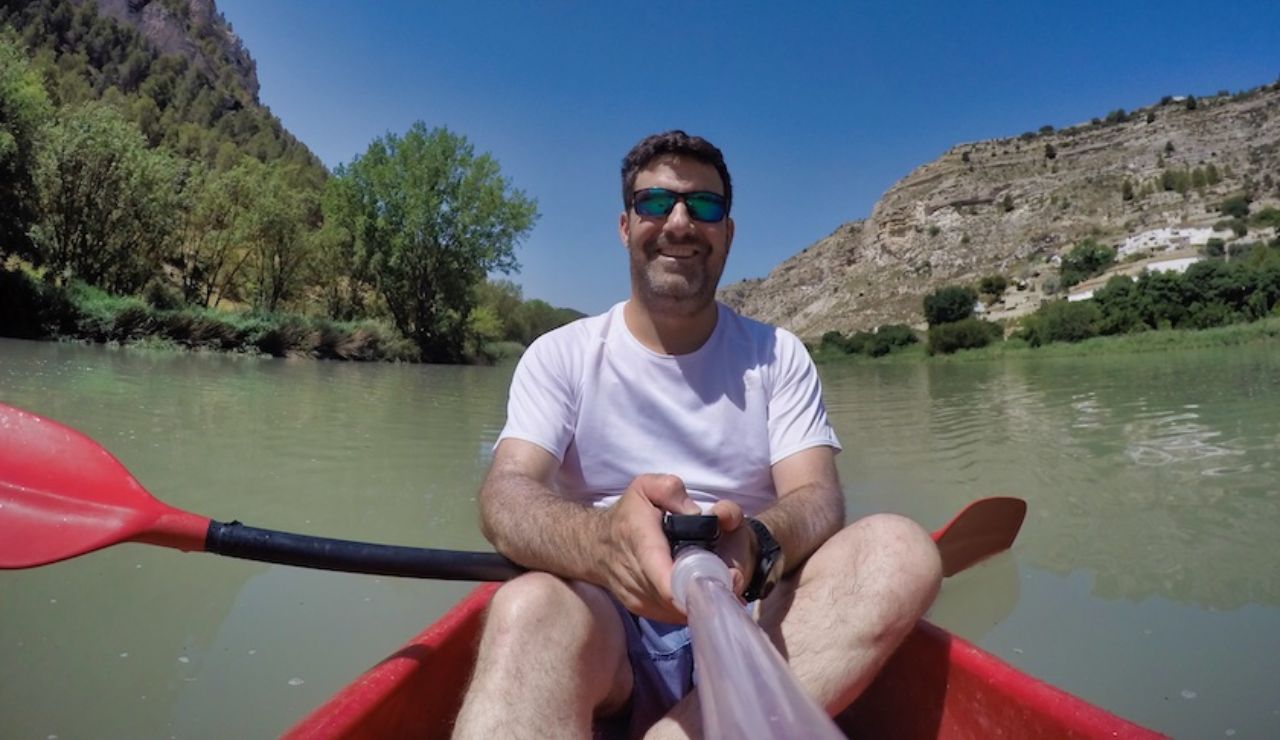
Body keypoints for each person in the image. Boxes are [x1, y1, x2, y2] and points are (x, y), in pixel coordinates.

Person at [453, 131, 942, 739]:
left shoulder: (778, 354)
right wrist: (602, 543)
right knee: (525, 608)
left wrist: (758, 544)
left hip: (756, 615)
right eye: (655, 203)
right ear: (625, 225)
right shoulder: (562, 355)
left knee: (901, 551)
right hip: (608, 619)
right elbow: (505, 495)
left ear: (728, 233)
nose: (680, 222)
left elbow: (818, 498)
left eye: (704, 207)